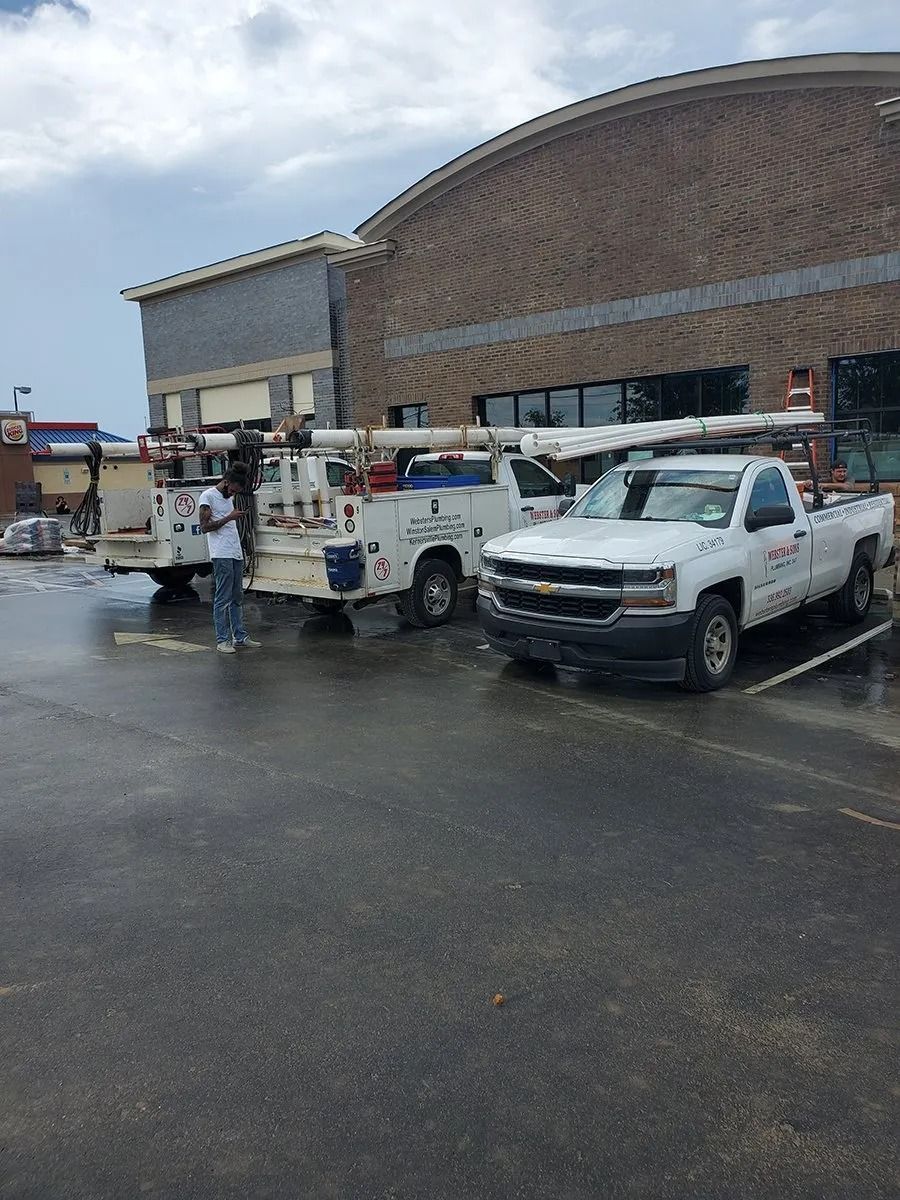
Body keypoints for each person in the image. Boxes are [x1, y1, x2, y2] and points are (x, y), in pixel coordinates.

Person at [198, 462, 261, 654]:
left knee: (237, 597)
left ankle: (240, 636)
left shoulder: (228, 498)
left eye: (236, 492)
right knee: (222, 598)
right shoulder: (208, 496)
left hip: (234, 552)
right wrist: (230, 517)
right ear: (226, 482)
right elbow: (204, 527)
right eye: (232, 490)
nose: (233, 494)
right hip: (221, 553)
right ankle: (222, 639)